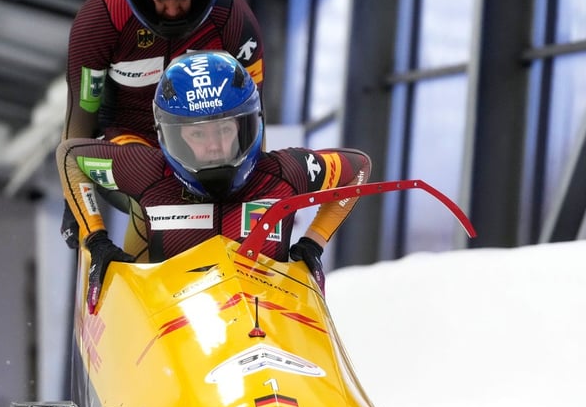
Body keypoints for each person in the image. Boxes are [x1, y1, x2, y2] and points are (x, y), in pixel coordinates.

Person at [57, 51, 371, 313]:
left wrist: (313, 243)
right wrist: (95, 239)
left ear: (247, 126)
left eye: (225, 130)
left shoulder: (284, 172)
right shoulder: (146, 171)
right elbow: (71, 157)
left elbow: (356, 169)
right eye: (197, 134)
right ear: (171, 135)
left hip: (266, 325)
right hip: (173, 334)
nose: (213, 147)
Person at [60, 0, 265, 262]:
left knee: (231, 195)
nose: (172, 10)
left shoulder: (231, 17)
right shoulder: (101, 20)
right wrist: (75, 202)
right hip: (127, 139)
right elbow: (80, 117)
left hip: (207, 146)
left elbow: (255, 117)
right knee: (157, 193)